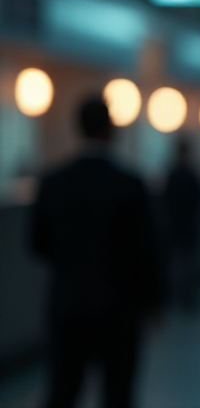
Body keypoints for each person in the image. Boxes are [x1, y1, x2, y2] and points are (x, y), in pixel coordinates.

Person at [30, 96, 162, 408]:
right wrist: (155, 299)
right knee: (117, 393)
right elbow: (145, 249)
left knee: (63, 390)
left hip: (68, 302)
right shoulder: (130, 183)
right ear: (110, 129)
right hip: (119, 306)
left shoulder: (52, 181)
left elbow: (38, 244)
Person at [162, 139, 200, 311]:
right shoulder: (191, 174)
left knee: (179, 263)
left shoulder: (173, 174)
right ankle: (187, 296)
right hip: (187, 225)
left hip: (176, 224)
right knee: (188, 263)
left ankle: (179, 295)